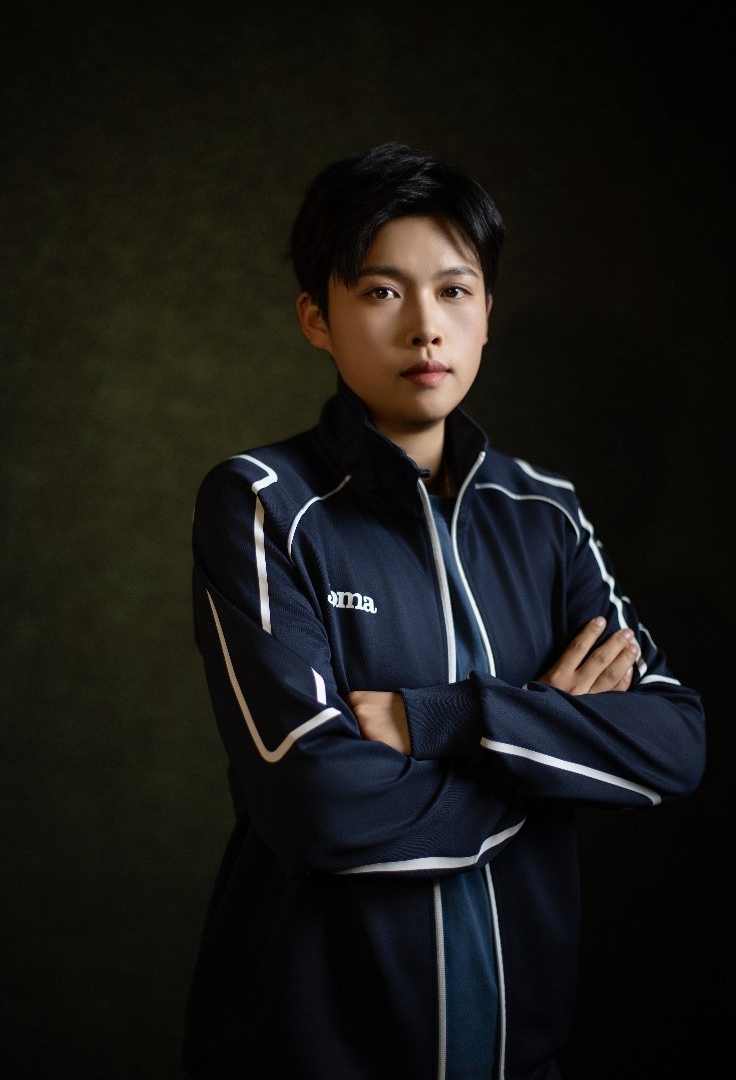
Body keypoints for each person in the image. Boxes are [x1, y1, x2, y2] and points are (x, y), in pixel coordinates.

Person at [182, 143, 705, 1080]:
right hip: (311, 1053)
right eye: (382, 291)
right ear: (317, 317)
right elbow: (315, 805)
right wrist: (550, 739)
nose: (426, 327)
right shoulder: (261, 503)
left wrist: (450, 718)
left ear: (487, 313)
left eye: (455, 290)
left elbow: (675, 742)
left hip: (521, 1054)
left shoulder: (545, 512)